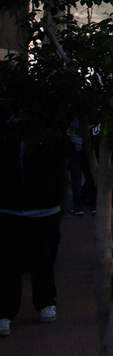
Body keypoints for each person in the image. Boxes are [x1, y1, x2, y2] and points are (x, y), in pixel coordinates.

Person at [0, 132, 64, 337]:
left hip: (44, 206)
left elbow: (66, 149)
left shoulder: (45, 125)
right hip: (10, 207)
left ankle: (45, 302)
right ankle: (5, 311)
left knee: (43, 259)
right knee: (8, 262)